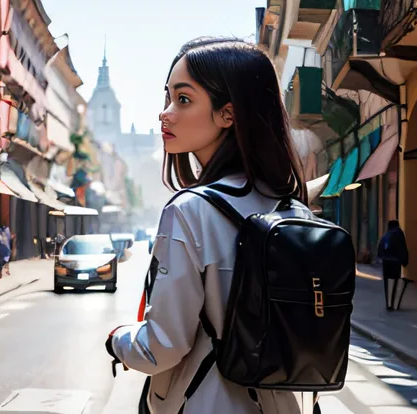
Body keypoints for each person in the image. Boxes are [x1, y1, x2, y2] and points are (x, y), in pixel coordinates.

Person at [105, 37, 314, 413]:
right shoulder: (296, 211)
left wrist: (118, 340)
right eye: (168, 98)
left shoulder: (190, 212)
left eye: (183, 100)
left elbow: (162, 347)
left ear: (228, 114)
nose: (165, 113)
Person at [377, 220, 409, 310]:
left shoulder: (387, 234)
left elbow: (380, 247)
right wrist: (405, 261)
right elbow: (403, 248)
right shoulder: (399, 233)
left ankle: (388, 303)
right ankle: (394, 304)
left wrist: (381, 257)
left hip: (386, 261)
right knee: (395, 281)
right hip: (395, 262)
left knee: (387, 283)